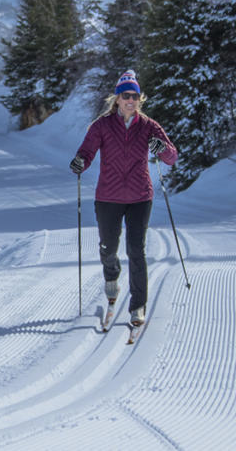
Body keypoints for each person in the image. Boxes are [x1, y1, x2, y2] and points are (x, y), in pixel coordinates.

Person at [70, 70, 177, 327]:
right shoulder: (102, 125)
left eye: (135, 96)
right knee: (108, 248)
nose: (131, 100)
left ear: (140, 99)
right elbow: (86, 152)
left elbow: (171, 157)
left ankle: (138, 306)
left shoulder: (149, 126)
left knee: (136, 250)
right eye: (126, 96)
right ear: (117, 98)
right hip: (108, 196)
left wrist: (162, 149)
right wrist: (80, 162)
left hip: (140, 197)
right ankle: (112, 275)